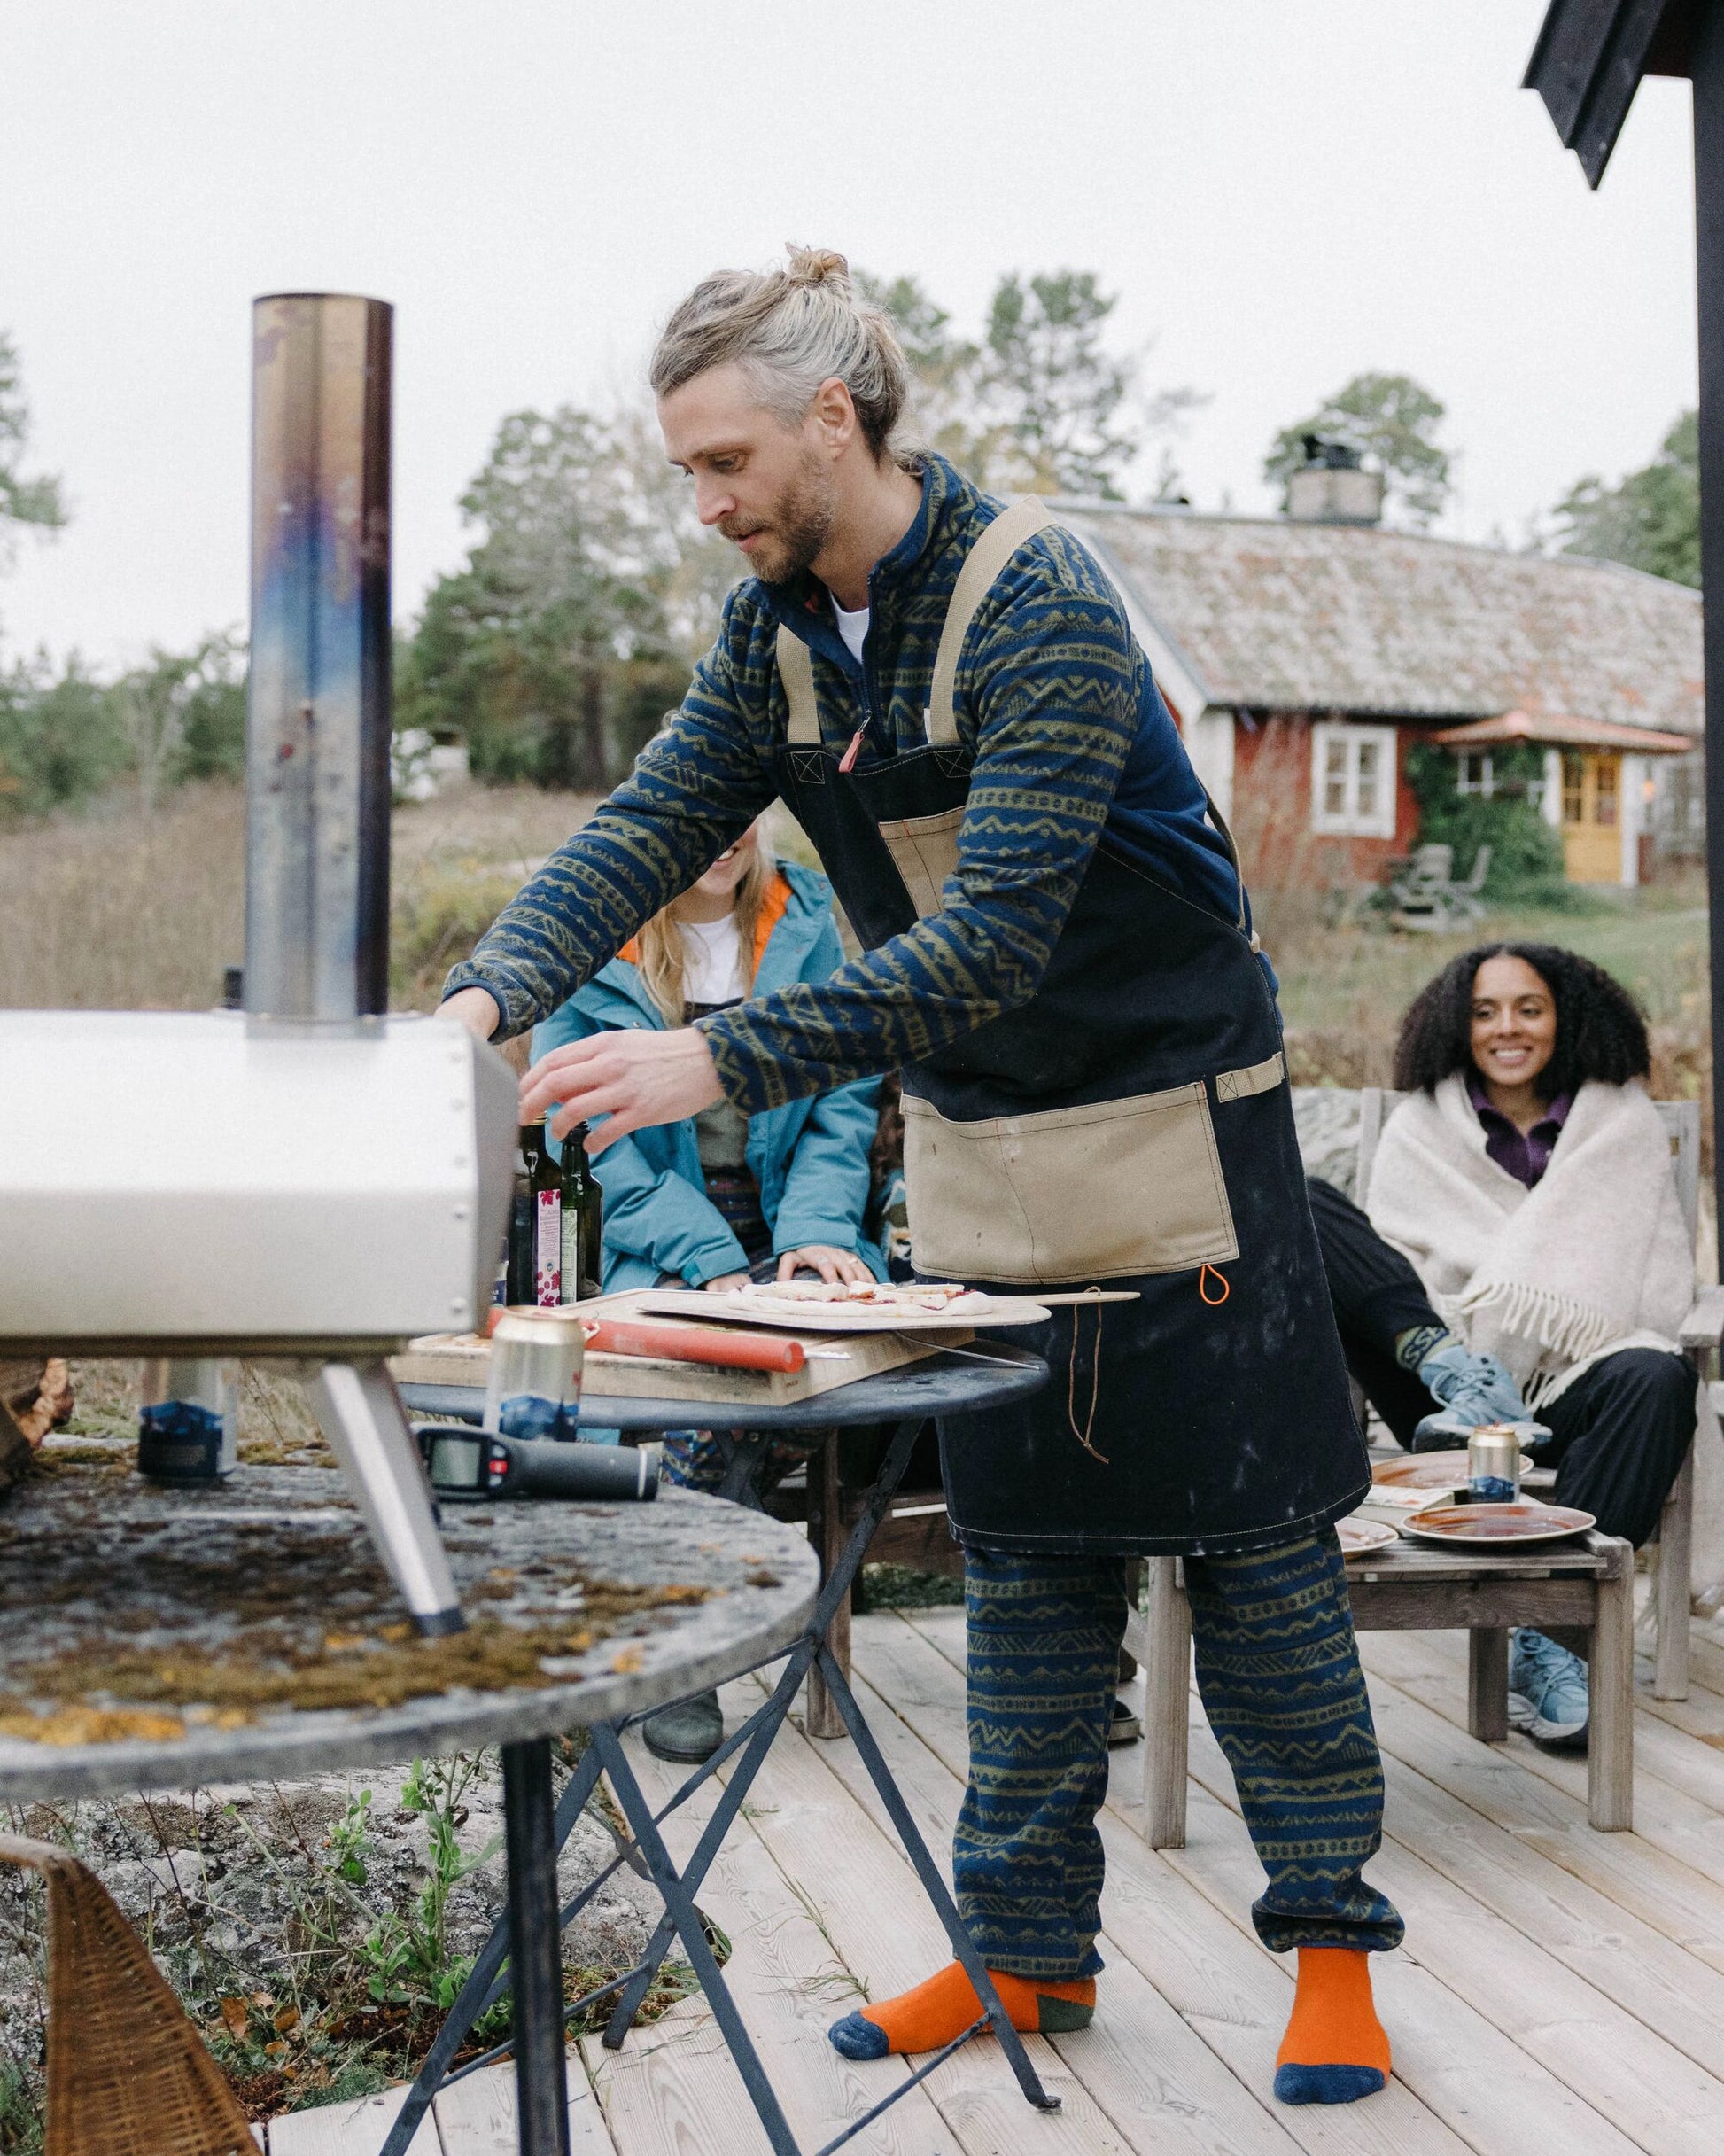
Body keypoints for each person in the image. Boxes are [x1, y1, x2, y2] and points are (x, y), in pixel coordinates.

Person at [443, 246, 1401, 2107]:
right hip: (980, 1149)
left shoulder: (1034, 597)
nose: (705, 503)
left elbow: (996, 943)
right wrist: (479, 996)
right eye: (684, 474)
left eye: (722, 463)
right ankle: (1021, 1952)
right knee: (1021, 1576)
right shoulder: (771, 633)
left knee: (1261, 1564)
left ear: (833, 415)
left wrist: (710, 1054)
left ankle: (1335, 1954)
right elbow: (649, 824)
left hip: (1180, 1134)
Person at [532, 817, 886, 1763]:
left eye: (740, 814)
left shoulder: (805, 915)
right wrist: (707, 1256)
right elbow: (580, 1138)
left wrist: (812, 1233)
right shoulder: (588, 935)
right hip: (654, 1238)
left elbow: (841, 1101)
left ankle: (677, 1638)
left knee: (798, 1353)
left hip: (792, 1231)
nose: (722, 838)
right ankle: (690, 1638)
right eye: (697, 819)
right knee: (720, 1372)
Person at [1309, 944, 1696, 1747]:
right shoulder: (1420, 1127)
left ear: (1566, 1017)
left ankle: (1550, 1637)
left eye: (1529, 1007)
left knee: (1659, 1373)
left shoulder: (1618, 1124)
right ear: (1459, 1023)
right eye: (1485, 1011)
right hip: (1440, 1389)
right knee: (1306, 1201)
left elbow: (1652, 1284)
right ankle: (1459, 1368)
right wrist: (1446, 1353)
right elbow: (1387, 1260)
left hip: (1569, 1378)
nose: (1506, 1027)